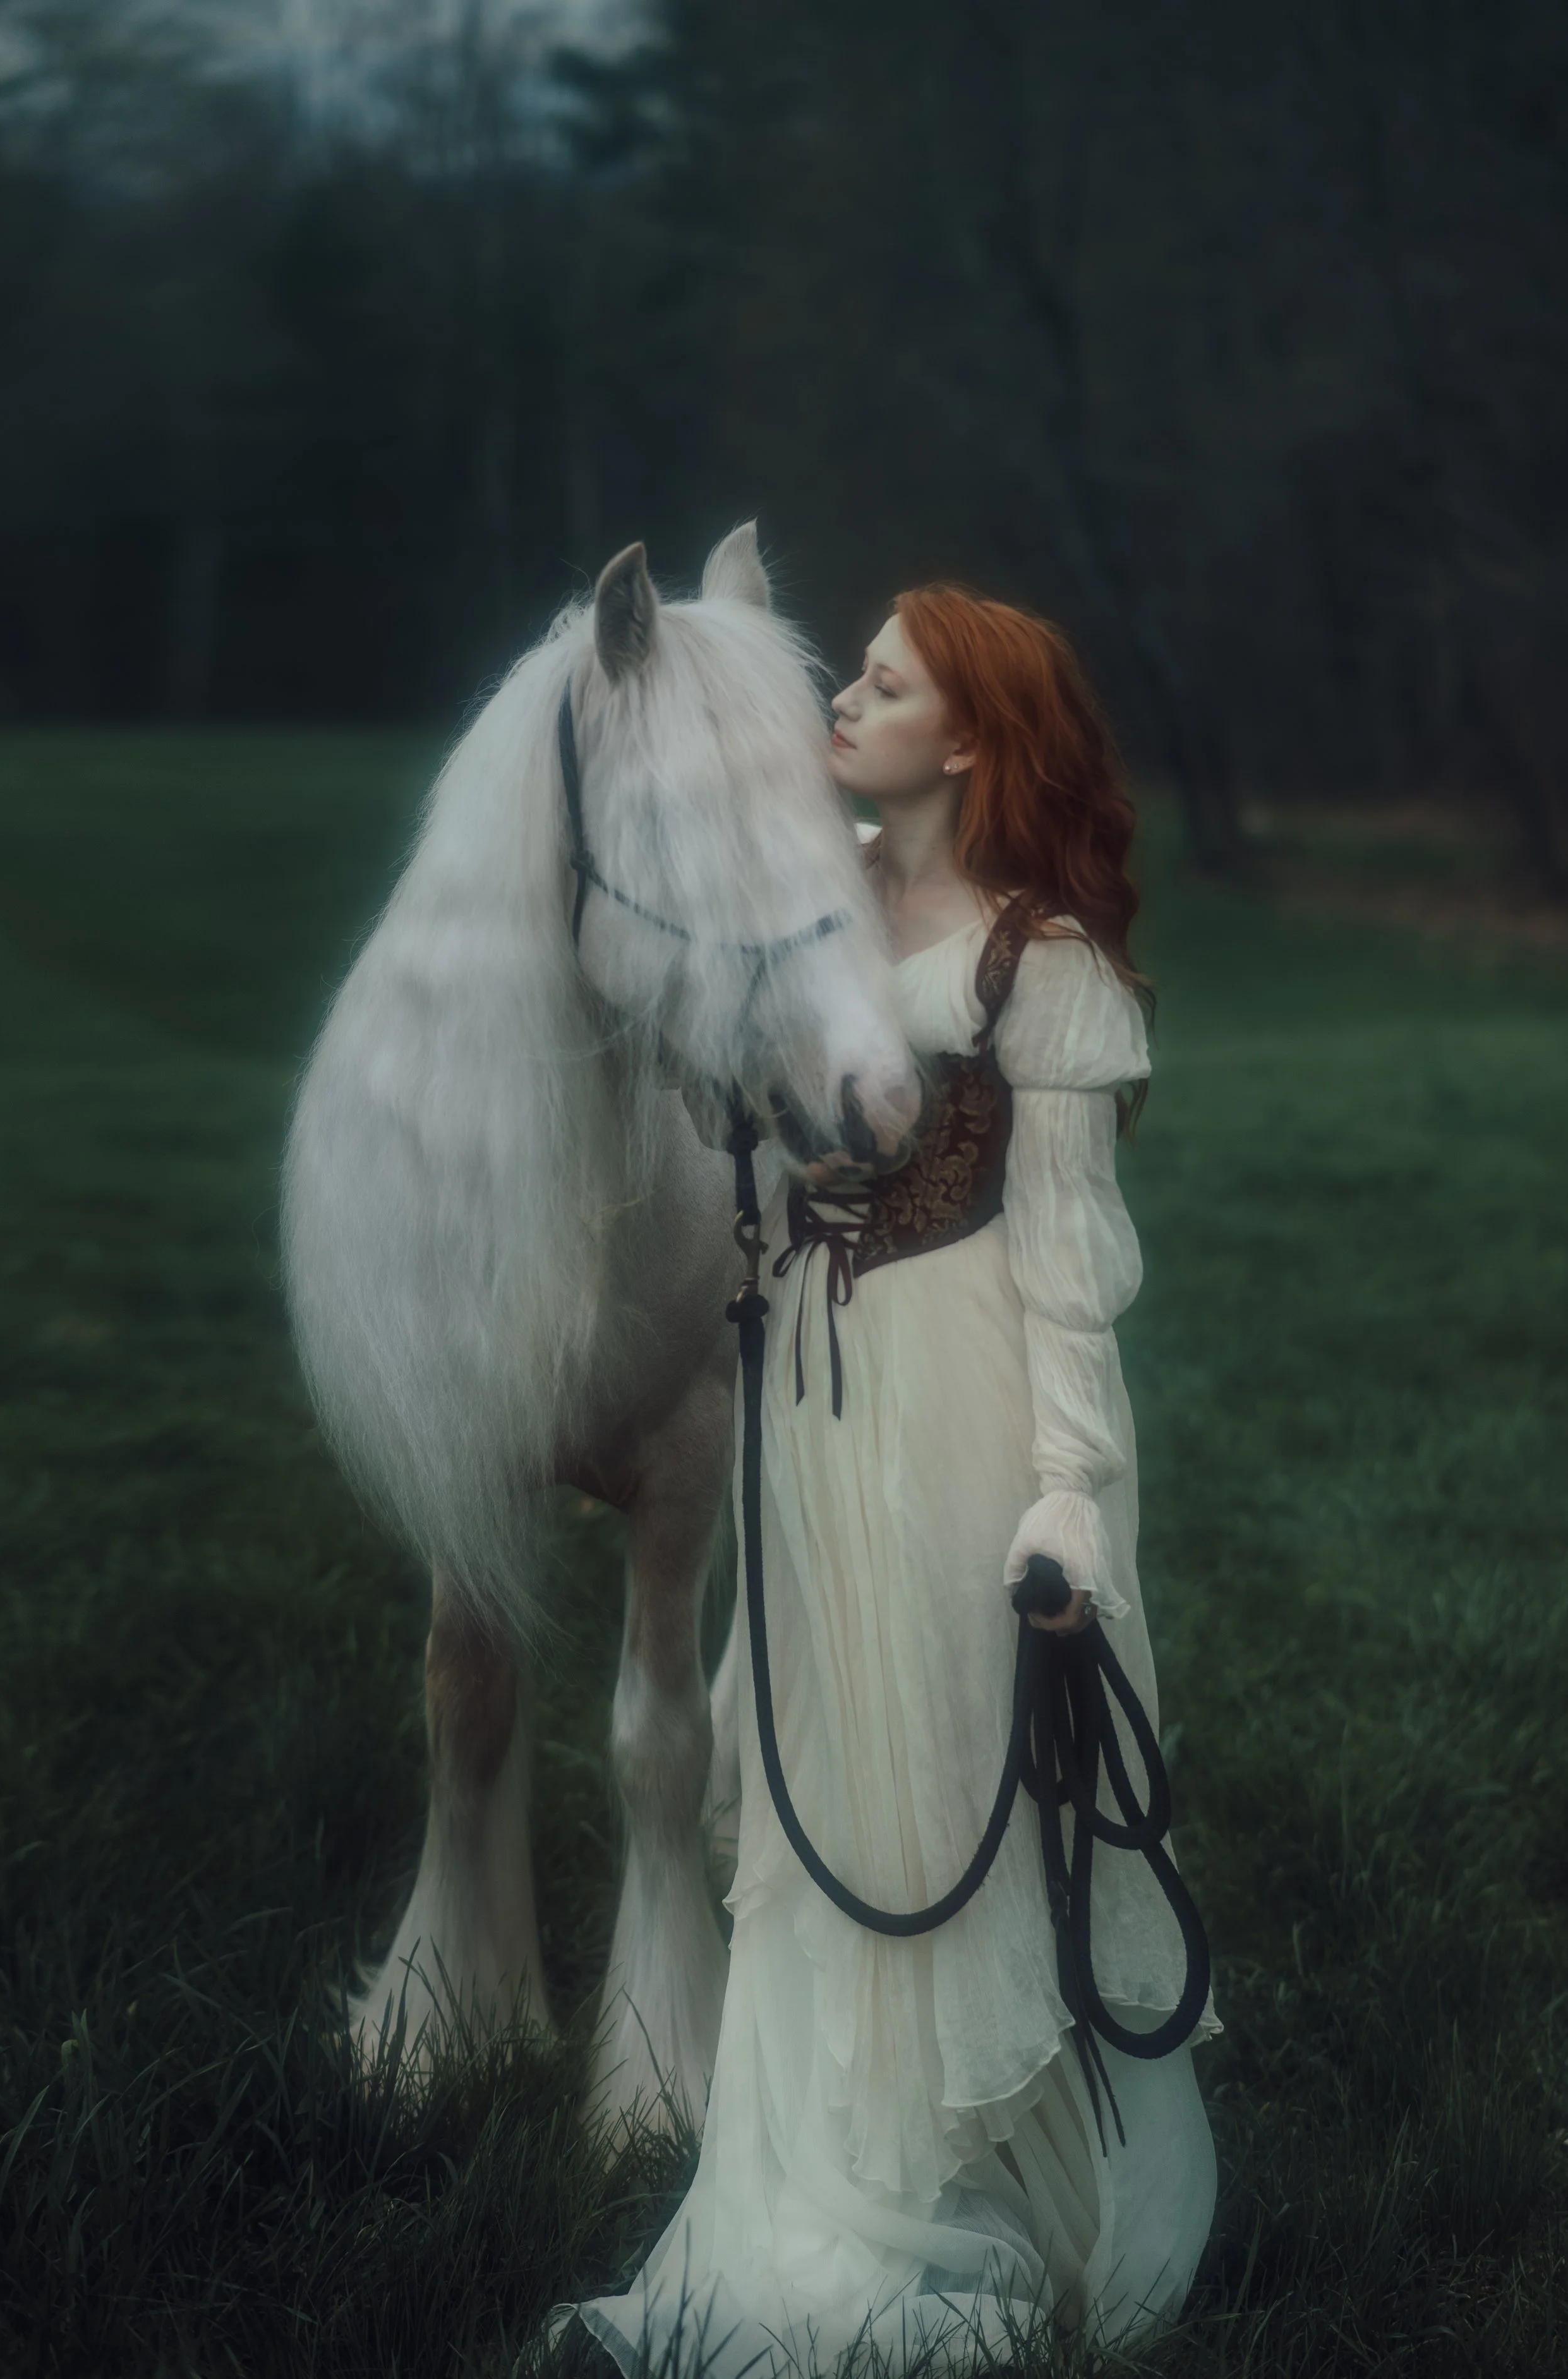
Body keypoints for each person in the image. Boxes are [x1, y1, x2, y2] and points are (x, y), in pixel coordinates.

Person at [574, 586, 1219, 2375]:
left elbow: (1076, 1263)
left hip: (967, 1407)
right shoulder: (821, 915)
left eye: (879, 680)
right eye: (847, 671)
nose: (839, 698)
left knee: (958, 1758)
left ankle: (971, 2155)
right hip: (812, 1396)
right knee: (835, 1773)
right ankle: (827, 2156)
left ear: (965, 736)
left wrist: (1068, 1490)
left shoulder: (1041, 964)